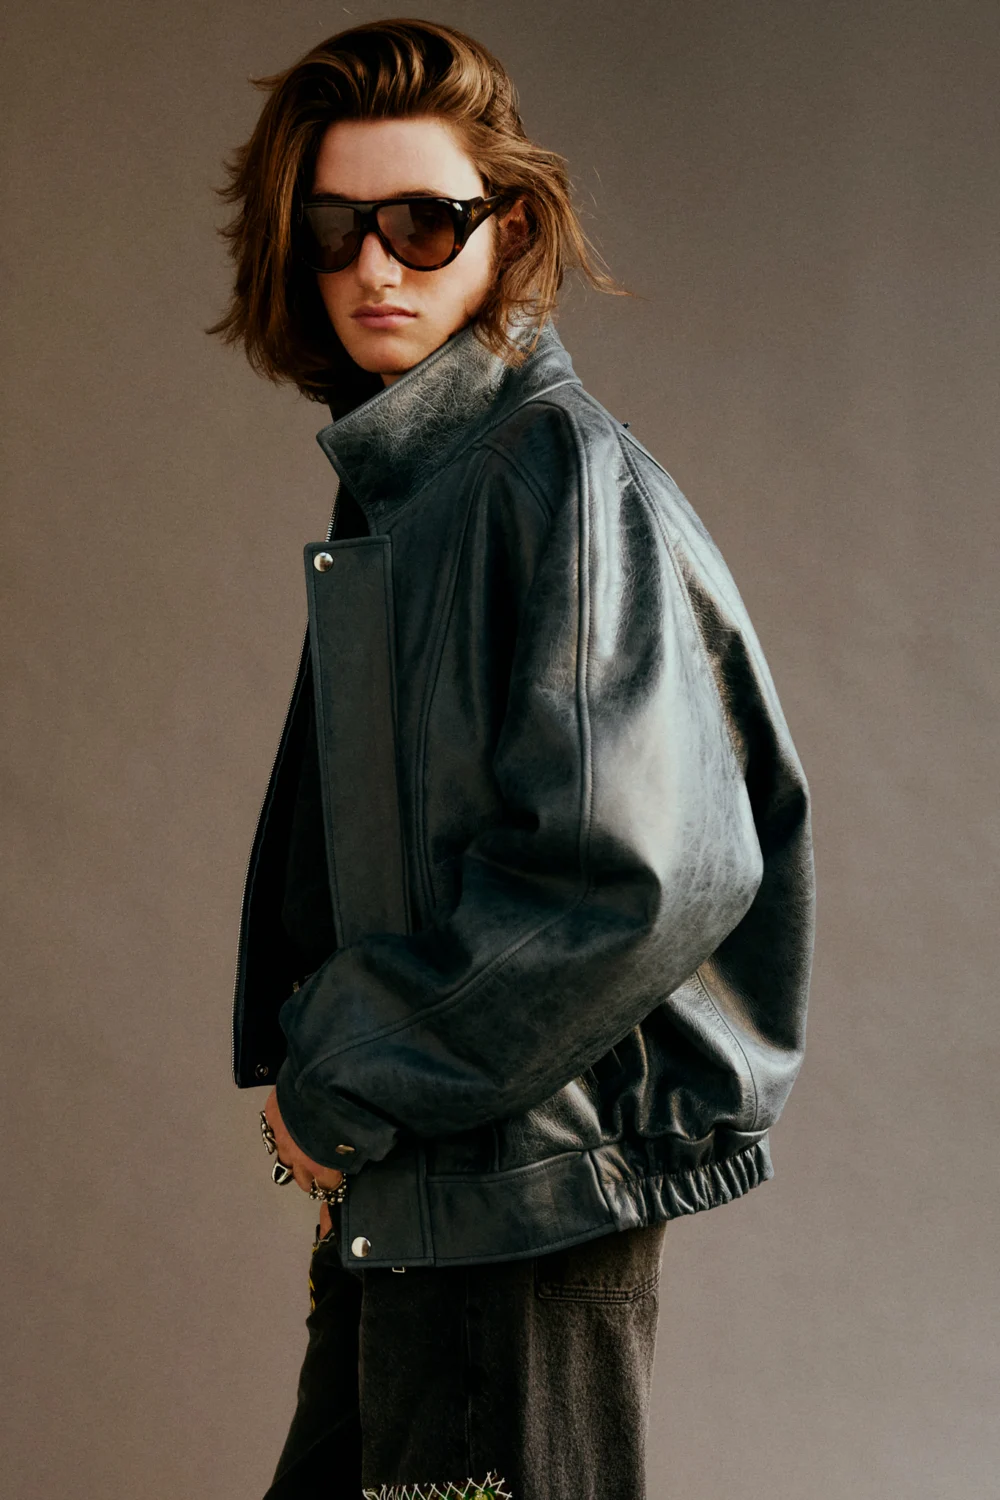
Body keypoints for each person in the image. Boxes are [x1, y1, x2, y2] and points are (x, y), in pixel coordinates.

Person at [209, 18, 815, 1500]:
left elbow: (631, 879)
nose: (376, 267)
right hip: (434, 1187)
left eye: (424, 222)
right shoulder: (418, 490)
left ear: (511, 230)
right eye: (336, 229)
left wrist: (339, 1076)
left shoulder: (552, 480)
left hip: (517, 1211)